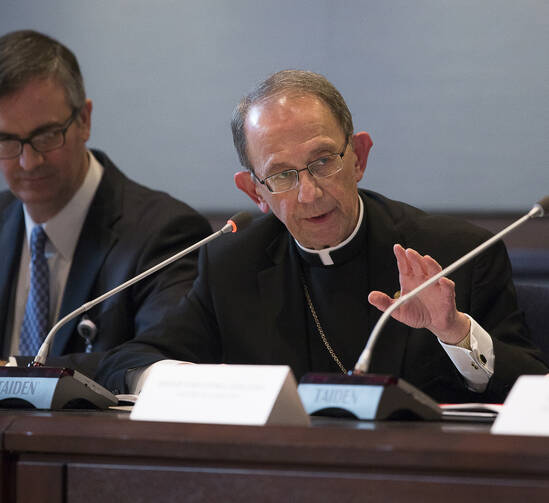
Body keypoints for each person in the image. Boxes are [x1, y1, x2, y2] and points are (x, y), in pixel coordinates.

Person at [96, 70, 547, 402]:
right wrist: (191, 384)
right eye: (282, 175)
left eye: (323, 161)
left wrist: (455, 332)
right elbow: (130, 360)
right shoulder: (232, 265)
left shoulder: (457, 253)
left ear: (359, 158)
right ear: (256, 191)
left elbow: (533, 388)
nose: (309, 193)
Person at [0, 30, 212, 378]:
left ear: (84, 120)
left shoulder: (165, 234)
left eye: (47, 135)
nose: (29, 162)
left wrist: (11, 371)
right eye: (7, 140)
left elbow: (161, 363)